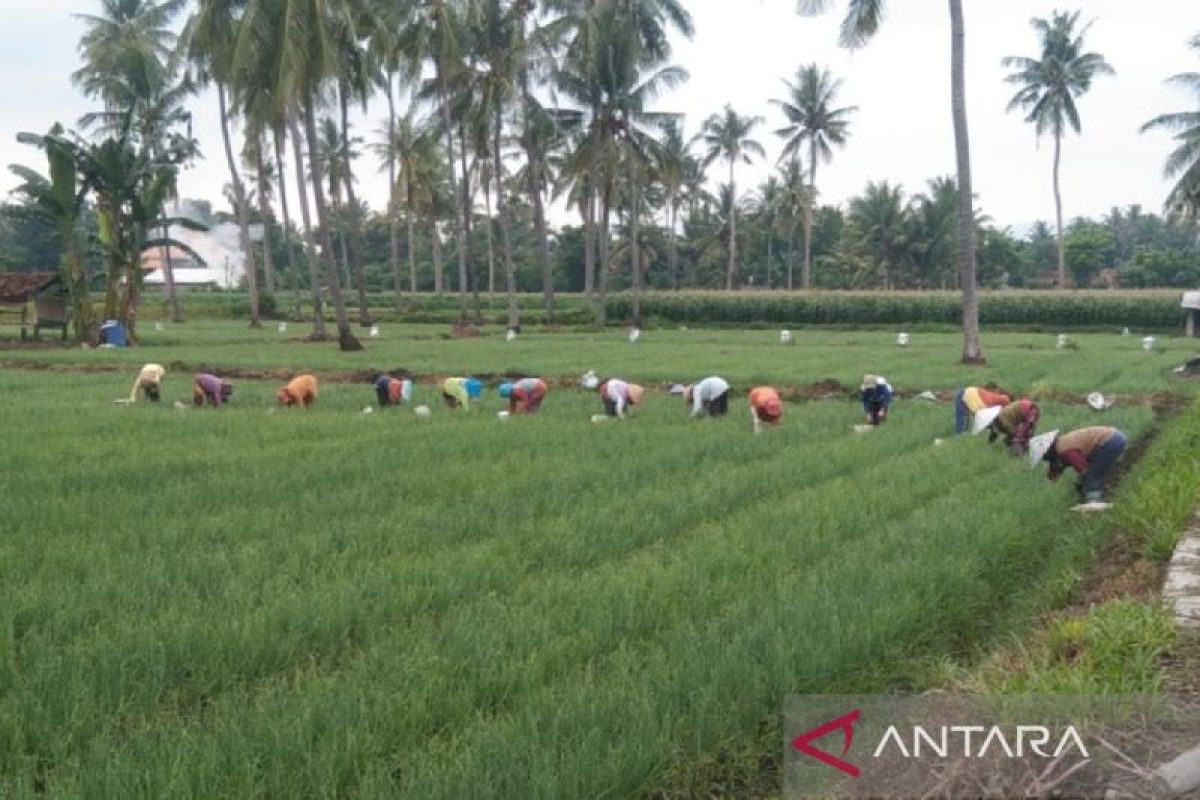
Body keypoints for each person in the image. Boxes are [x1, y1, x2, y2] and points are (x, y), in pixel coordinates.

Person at [1030, 426, 1128, 504]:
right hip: (1112, 438)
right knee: (1089, 475)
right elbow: (1056, 468)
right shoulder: (1060, 446)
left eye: (1044, 456)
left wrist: (1083, 482)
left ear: (1048, 451)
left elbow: (1085, 469)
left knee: (1092, 475)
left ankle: (1093, 502)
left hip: (1111, 441)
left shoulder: (1065, 450)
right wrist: (1045, 489)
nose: (1045, 459)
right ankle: (1091, 496)